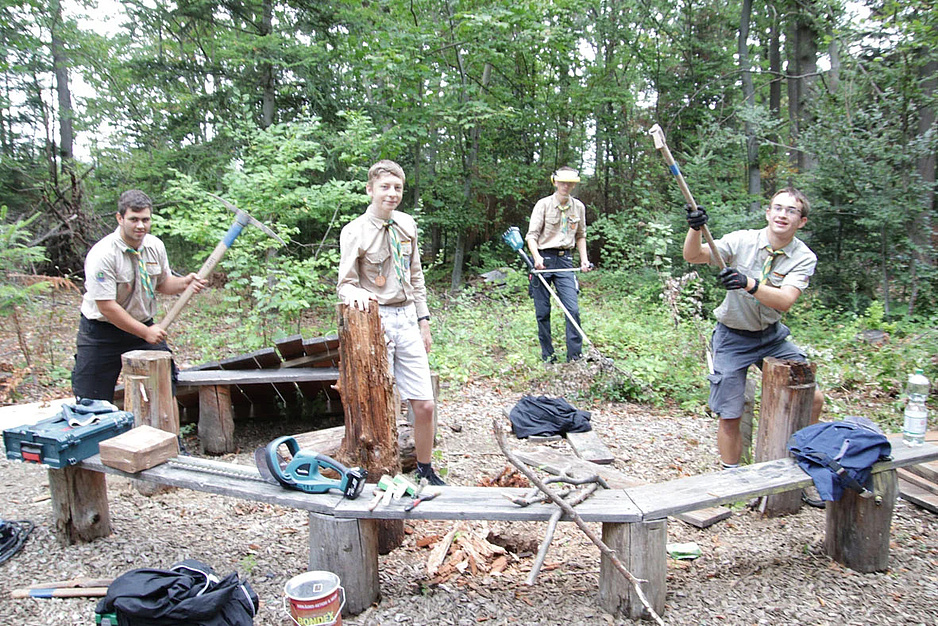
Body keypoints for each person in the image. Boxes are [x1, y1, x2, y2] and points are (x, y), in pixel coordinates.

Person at [682, 187, 824, 469]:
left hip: (772, 338)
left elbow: (785, 301)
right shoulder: (742, 240)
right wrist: (695, 229)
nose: (783, 215)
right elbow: (694, 255)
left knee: (813, 397)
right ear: (768, 212)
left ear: (802, 221)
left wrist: (748, 283)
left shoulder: (804, 257)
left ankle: (800, 460)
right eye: (778, 208)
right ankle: (732, 475)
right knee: (729, 412)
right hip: (732, 337)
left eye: (791, 211)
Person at [337, 160, 445, 486]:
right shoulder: (354, 230)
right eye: (385, 187)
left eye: (397, 187)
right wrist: (356, 296)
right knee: (379, 404)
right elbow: (344, 284)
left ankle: (425, 469)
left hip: (407, 316)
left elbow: (416, 277)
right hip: (375, 320)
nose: (392, 193)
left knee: (424, 404)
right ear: (370, 189)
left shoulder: (407, 225)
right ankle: (377, 471)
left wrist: (424, 320)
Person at [72, 190, 206, 402]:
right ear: (120, 218)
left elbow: (162, 284)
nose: (140, 226)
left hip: (142, 328)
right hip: (102, 332)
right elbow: (106, 306)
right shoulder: (103, 254)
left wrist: (184, 283)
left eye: (145, 219)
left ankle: (161, 433)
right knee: (91, 399)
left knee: (163, 385)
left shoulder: (155, 246)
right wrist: (145, 332)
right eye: (133, 219)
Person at [525, 167, 592, 363]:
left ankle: (574, 357)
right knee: (543, 312)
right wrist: (536, 258)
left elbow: (580, 235)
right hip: (543, 260)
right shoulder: (543, 205)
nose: (566, 186)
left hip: (565, 261)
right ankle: (548, 356)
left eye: (570, 183)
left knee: (572, 310)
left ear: (574, 185)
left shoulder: (578, 207)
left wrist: (584, 259)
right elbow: (531, 236)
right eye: (562, 182)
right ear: (555, 182)